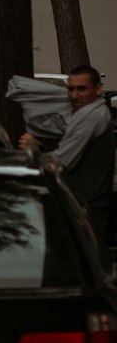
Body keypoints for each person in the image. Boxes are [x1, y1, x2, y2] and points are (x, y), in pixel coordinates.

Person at [13, 66, 115, 244]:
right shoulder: (98, 112)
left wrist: (35, 151)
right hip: (88, 206)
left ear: (98, 89)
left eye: (81, 89)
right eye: (71, 89)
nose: (74, 96)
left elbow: (62, 162)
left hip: (84, 208)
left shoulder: (89, 115)